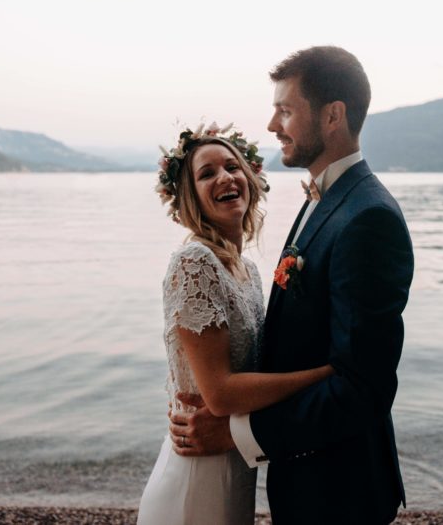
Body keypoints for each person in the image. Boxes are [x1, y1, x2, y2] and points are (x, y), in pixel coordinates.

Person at [169, 47, 414, 524]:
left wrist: (238, 434)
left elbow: (364, 389)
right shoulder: (325, 200)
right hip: (306, 479)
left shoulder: (369, 218)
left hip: (339, 493)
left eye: (285, 109)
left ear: (332, 117)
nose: (271, 125)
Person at [137, 122, 335, 525]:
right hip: (197, 475)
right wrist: (326, 375)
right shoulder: (194, 263)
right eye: (206, 174)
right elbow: (222, 395)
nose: (225, 178)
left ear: (250, 176)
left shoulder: (247, 269)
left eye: (232, 166)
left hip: (234, 461)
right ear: (189, 196)